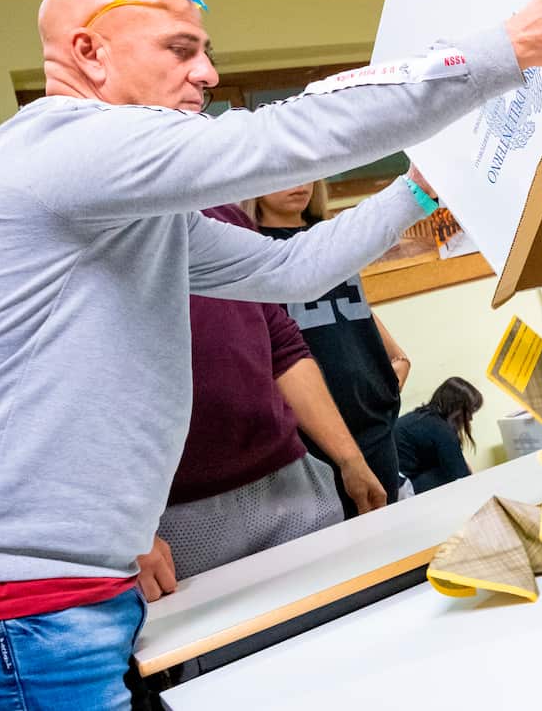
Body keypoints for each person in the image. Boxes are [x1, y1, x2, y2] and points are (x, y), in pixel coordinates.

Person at [0, 0, 542, 710]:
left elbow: (293, 269)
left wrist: (421, 185)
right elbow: (280, 141)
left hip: (81, 591)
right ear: (89, 52)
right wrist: (512, 46)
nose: (207, 72)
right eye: (180, 48)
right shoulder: (57, 148)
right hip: (37, 611)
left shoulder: (124, 208)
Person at [149, 201, 388, 584]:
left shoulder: (225, 217)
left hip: (290, 480)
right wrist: (120, 531)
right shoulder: (97, 234)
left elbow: (283, 346)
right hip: (176, 516)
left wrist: (349, 458)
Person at [253, 181, 412, 518]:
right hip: (312, 444)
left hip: (375, 426)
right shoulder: (250, 248)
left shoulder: (329, 235)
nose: (298, 182)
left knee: (390, 541)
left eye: (306, 170)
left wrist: (394, 364)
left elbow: (353, 307)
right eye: (284, 172)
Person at [395, 377, 483, 494]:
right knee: (452, 475)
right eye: (470, 412)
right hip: (400, 490)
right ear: (456, 409)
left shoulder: (420, 417)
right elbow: (462, 477)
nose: (470, 418)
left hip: (391, 483)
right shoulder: (441, 430)